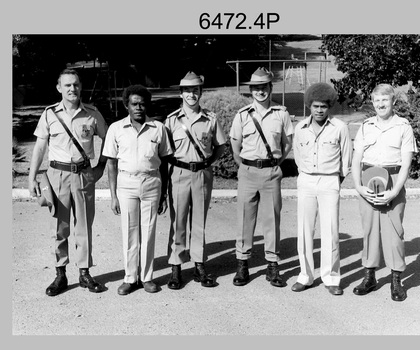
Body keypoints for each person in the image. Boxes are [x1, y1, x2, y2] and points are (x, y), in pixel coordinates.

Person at [28, 68, 108, 296]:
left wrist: (100, 166)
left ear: (80, 87)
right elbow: (40, 147)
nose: (72, 89)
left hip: (83, 175)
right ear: (59, 88)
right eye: (67, 85)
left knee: (83, 225)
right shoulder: (50, 114)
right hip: (57, 176)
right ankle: (60, 273)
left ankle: (84, 273)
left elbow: (110, 140)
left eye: (75, 84)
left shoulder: (92, 114)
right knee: (59, 227)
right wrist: (32, 177)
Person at [103, 85, 173, 295]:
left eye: (142, 104)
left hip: (151, 183)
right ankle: (130, 278)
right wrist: (113, 196)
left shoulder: (158, 128)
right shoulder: (116, 129)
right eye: (134, 104)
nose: (139, 108)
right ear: (126, 106)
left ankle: (147, 277)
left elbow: (164, 163)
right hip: (127, 184)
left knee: (149, 231)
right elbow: (111, 165)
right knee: (129, 232)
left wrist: (163, 194)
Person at [351, 83, 417, 302]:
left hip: (393, 181)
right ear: (373, 102)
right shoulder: (366, 126)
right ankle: (369, 277)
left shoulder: (403, 126)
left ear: (393, 102)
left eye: (385, 100)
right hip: (368, 181)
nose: (380, 104)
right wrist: (358, 186)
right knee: (369, 231)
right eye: (377, 100)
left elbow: (406, 164)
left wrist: (395, 191)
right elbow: (356, 158)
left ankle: (396, 280)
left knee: (394, 232)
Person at [229, 67, 293, 287]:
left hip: (271, 173)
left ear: (270, 88)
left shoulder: (281, 113)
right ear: (251, 91)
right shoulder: (242, 115)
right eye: (256, 88)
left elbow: (287, 144)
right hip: (248, 172)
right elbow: (235, 145)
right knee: (245, 220)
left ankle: (273, 267)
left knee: (272, 220)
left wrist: (275, 163)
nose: (260, 92)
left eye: (263, 87)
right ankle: (242, 265)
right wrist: (244, 166)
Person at [163, 71, 227, 289]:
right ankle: (176, 267)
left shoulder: (210, 119)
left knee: (199, 221)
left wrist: (209, 163)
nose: (192, 94)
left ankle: (199, 265)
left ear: (200, 92)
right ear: (181, 93)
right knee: (178, 221)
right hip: (179, 174)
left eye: (195, 90)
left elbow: (220, 146)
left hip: (202, 173)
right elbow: (165, 152)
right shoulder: (171, 120)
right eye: (187, 91)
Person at [291, 83, 352, 295]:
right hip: (306, 180)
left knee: (331, 231)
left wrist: (335, 180)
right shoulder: (300, 128)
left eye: (323, 106)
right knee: (305, 230)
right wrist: (305, 176)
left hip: (329, 181)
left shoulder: (339, 128)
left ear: (330, 106)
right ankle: (305, 276)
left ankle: (332, 278)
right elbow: (298, 155)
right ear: (309, 105)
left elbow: (346, 159)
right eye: (315, 106)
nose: (319, 110)